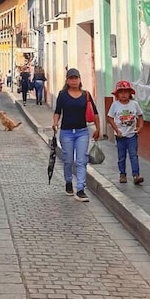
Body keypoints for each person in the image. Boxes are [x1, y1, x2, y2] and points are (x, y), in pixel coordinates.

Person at [52, 68, 101, 202]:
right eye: (71, 78)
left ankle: (80, 189)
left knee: (81, 161)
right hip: (66, 132)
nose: (74, 81)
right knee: (68, 160)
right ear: (67, 80)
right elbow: (57, 111)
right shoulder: (63, 95)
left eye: (76, 78)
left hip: (82, 132)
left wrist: (98, 128)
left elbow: (95, 113)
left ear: (80, 80)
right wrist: (55, 123)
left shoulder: (86, 95)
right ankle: (68, 181)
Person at [106, 80, 144, 185]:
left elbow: (140, 116)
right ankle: (122, 174)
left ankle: (136, 175)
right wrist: (116, 129)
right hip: (120, 136)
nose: (123, 94)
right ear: (117, 94)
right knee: (121, 156)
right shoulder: (115, 105)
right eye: (121, 92)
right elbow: (109, 117)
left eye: (126, 92)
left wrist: (140, 127)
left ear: (130, 93)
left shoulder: (134, 104)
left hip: (132, 135)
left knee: (133, 155)